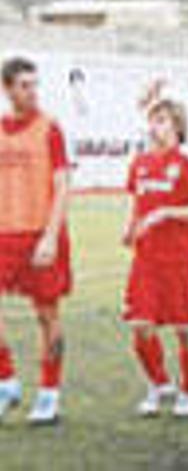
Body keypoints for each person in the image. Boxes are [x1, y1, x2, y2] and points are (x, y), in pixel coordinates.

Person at [123, 99, 188, 418]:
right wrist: (129, 227)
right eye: (153, 119)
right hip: (146, 259)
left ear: (177, 127)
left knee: (186, 329)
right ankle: (160, 384)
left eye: (162, 120)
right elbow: (136, 201)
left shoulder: (185, 165)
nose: (155, 126)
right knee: (140, 325)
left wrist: (167, 213)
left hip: (182, 261)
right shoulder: (140, 163)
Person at [0, 57, 73, 425]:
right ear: (7, 88)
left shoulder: (50, 128)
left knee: (47, 316)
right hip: (3, 234)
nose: (32, 92)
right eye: (24, 85)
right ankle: (6, 381)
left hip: (40, 234)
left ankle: (49, 394)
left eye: (35, 84)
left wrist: (50, 236)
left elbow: (63, 186)